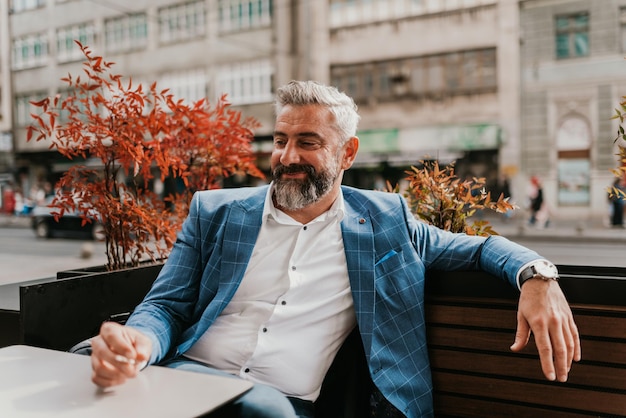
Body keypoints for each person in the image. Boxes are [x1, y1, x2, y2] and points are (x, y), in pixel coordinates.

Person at [89, 81, 580, 418]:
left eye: (308, 141)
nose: (287, 156)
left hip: (275, 403)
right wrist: (142, 344)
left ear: (347, 152)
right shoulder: (215, 211)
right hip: (185, 377)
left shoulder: (386, 221)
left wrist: (537, 275)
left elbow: (475, 250)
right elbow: (166, 305)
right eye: (280, 140)